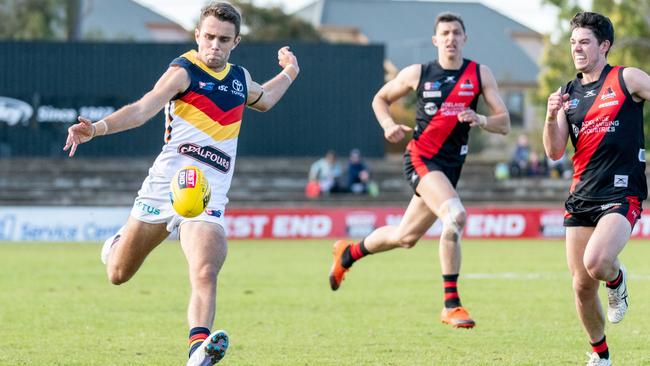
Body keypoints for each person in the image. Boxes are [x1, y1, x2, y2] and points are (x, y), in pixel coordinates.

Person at [62, 2, 299, 365]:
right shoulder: (184, 71)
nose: (214, 46)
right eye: (209, 37)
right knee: (118, 274)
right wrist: (97, 128)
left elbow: (264, 99)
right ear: (197, 35)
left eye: (223, 39)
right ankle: (115, 246)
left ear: (236, 41)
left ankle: (197, 351)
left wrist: (290, 72)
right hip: (164, 188)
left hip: (207, 196)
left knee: (205, 269)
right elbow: (143, 108)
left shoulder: (239, 78)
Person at [328, 12, 510, 329]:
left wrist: (480, 119)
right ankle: (451, 305)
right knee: (455, 215)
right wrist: (387, 125)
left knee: (405, 236)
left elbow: (504, 123)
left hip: (450, 168)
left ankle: (348, 253)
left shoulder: (479, 74)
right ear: (435, 40)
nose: (451, 38)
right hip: (422, 159)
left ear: (465, 39)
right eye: (445, 33)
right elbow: (380, 99)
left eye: (456, 32)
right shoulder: (418, 73)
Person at [543, 11, 649, 366]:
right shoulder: (566, 94)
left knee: (598, 262)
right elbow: (555, 151)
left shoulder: (627, 79)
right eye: (573, 43)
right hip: (581, 196)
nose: (577, 49)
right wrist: (549, 115)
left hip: (621, 193)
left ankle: (617, 279)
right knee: (581, 285)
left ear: (604, 46)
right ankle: (601, 356)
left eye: (585, 42)